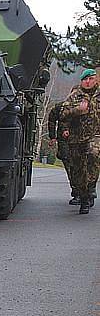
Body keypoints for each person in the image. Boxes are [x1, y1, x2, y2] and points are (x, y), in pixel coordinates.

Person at [60, 68, 100, 214]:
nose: (88, 82)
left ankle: (90, 188)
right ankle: (84, 198)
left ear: (96, 79)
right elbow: (62, 114)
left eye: (90, 79)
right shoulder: (75, 96)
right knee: (78, 171)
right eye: (85, 80)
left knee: (93, 154)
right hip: (76, 139)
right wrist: (77, 110)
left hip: (95, 136)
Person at [47, 100, 79, 204]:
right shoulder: (61, 106)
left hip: (81, 140)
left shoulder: (86, 106)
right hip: (65, 140)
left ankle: (87, 192)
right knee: (69, 165)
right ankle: (77, 192)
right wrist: (52, 137)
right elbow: (51, 119)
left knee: (84, 166)